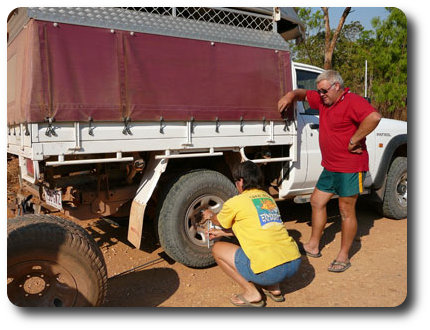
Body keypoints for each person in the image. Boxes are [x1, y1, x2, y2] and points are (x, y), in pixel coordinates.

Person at [278, 70, 382, 273]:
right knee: (317, 201)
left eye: (324, 90)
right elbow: (302, 94)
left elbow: (374, 117)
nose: (321, 94)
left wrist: (354, 139)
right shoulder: (324, 100)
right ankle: (313, 245)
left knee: (345, 211)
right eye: (319, 91)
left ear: (337, 87)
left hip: (350, 167)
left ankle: (343, 256)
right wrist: (290, 95)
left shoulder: (352, 101)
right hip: (331, 166)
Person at [202, 161, 301, 307]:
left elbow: (219, 221)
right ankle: (275, 288)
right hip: (294, 263)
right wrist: (221, 233)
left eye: (236, 181)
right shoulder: (268, 199)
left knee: (217, 249)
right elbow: (253, 228)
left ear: (241, 181)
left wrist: (211, 215)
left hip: (271, 271)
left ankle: (251, 292)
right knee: (270, 243)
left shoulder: (236, 202)